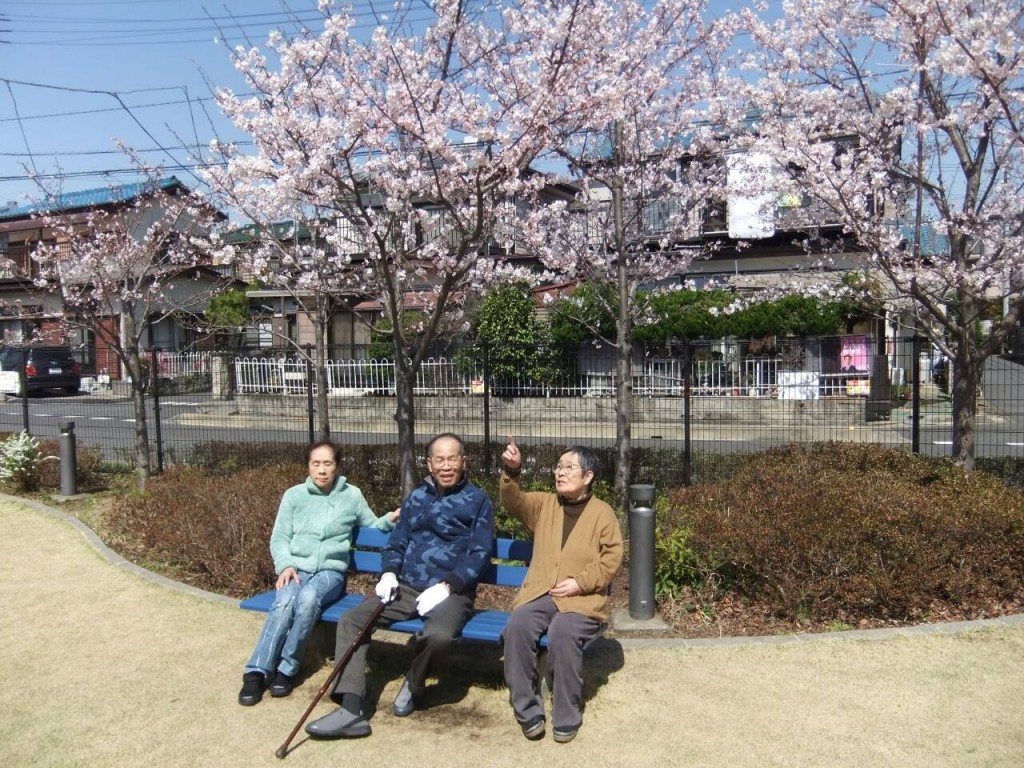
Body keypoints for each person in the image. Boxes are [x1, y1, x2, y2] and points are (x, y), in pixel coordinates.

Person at [305, 432, 494, 738]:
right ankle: (351, 709)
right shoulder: (416, 498)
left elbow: (480, 554)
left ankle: (415, 681)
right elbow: (396, 543)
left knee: (440, 636)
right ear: (429, 464)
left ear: (464, 461)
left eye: (453, 458)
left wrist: (448, 586)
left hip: (451, 591)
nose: (446, 465)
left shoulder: (478, 501)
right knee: (352, 620)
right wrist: (389, 574)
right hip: (406, 586)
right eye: (439, 459)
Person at [238, 440, 399, 706]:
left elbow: (372, 525)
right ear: (308, 466)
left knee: (310, 598)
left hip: (330, 573)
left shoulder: (351, 495)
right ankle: (256, 672)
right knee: (285, 601)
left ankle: (287, 669)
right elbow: (279, 538)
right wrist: (286, 565)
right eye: (316, 464)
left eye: (328, 464)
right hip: (296, 568)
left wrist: (388, 520)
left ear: (337, 466)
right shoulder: (294, 495)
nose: (322, 470)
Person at [499, 436, 623, 744]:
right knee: (518, 625)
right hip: (543, 593)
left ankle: (567, 714)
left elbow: (612, 557)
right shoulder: (544, 504)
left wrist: (580, 582)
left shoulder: (602, 513)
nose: (560, 473)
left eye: (569, 468)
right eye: (558, 467)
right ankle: (527, 709)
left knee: (563, 633)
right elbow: (513, 500)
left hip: (582, 601)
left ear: (588, 476)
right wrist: (512, 471)